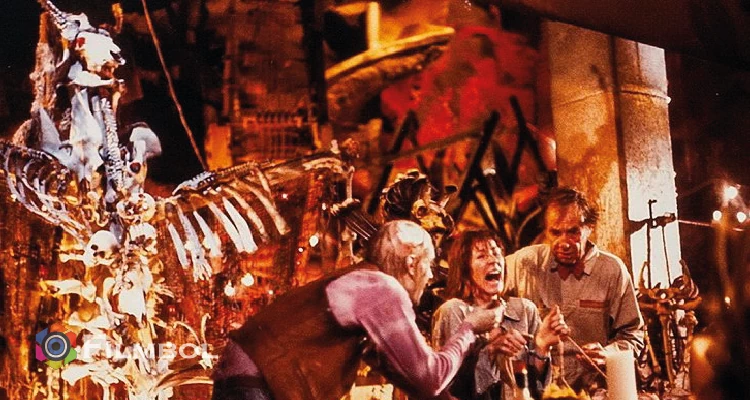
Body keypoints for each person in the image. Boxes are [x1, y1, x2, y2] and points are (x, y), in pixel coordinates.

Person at [212, 220, 501, 400]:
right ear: (412, 263)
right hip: (257, 384)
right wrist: (469, 328)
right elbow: (428, 379)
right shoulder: (382, 288)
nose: (430, 276)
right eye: (429, 265)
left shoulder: (362, 284)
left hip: (244, 379)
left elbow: (409, 377)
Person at [505, 187, 644, 392]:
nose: (564, 243)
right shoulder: (525, 263)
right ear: (545, 231)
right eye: (555, 232)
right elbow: (481, 283)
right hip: (537, 389)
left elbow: (633, 334)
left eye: (573, 232)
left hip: (592, 391)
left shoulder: (611, 270)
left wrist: (609, 354)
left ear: (589, 227)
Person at [432, 230, 568, 400]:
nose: (493, 260)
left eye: (497, 253)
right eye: (482, 256)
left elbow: (535, 388)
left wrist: (542, 346)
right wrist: (490, 351)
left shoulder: (525, 310)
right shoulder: (453, 311)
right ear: (465, 270)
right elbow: (448, 385)